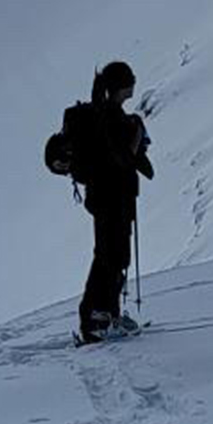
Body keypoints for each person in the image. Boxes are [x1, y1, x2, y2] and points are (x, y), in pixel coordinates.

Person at [70, 60, 155, 343]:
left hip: (107, 196)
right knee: (110, 256)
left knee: (113, 255)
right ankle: (96, 319)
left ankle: (106, 315)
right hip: (112, 196)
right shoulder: (110, 117)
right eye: (130, 81)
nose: (133, 84)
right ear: (121, 86)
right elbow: (121, 159)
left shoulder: (106, 113)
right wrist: (136, 135)